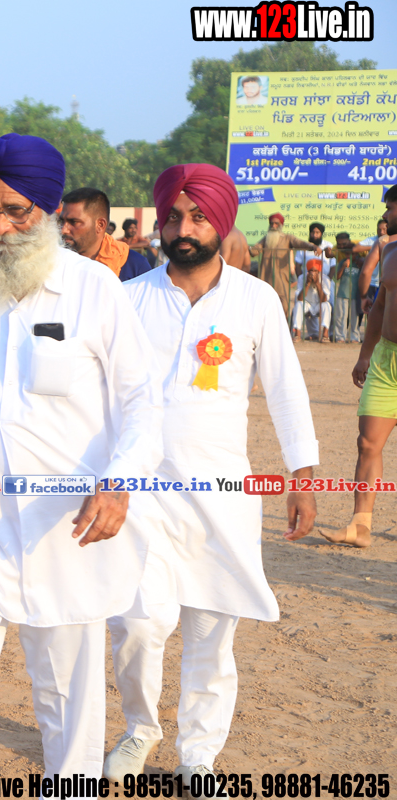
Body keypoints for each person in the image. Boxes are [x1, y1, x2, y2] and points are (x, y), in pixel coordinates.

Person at [0, 134, 161, 793]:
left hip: (66, 527)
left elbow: (141, 401)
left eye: (15, 211)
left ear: (45, 211)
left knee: (67, 697)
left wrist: (121, 483)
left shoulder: (95, 291)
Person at [110, 163, 318, 780]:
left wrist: (303, 476)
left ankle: (198, 758)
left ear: (221, 222)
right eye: (174, 217)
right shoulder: (128, 299)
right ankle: (139, 730)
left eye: (198, 217)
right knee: (140, 625)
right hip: (142, 497)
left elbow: (286, 391)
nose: (184, 229)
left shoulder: (256, 300)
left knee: (210, 635)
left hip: (222, 496)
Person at [331, 187, 397, 548]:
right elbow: (381, 306)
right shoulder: (389, 251)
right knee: (367, 442)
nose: (385, 216)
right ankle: (360, 527)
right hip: (386, 360)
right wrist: (365, 354)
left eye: (390, 208)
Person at [59, 187, 152, 281]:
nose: (63, 230)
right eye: (62, 221)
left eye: (74, 222)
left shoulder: (134, 265)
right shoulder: (54, 262)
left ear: (100, 225)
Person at [250, 213, 318, 323]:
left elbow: (299, 243)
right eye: (272, 223)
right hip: (266, 279)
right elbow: (254, 252)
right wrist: (246, 248)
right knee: (264, 308)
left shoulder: (287, 238)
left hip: (282, 280)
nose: (273, 226)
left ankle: (284, 330)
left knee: (284, 307)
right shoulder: (266, 239)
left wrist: (312, 246)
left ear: (281, 225)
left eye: (276, 223)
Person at [329, 231, 363, 343]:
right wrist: (343, 266)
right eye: (347, 254)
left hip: (355, 294)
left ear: (356, 254)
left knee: (354, 317)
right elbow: (337, 277)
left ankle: (354, 336)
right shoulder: (343, 261)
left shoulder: (359, 263)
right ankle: (340, 336)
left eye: (352, 254)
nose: (349, 256)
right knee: (341, 316)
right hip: (343, 293)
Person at [291, 256, 334, 342]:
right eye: (311, 271)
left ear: (319, 272)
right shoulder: (301, 278)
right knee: (299, 305)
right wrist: (307, 283)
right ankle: (297, 334)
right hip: (307, 304)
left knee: (327, 305)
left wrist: (317, 283)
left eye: (315, 271)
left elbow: (324, 299)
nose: (312, 273)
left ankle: (325, 334)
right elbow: (299, 298)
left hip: (319, 305)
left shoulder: (325, 279)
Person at [358, 218, 390, 312]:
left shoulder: (380, 243)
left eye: (384, 229)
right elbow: (356, 248)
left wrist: (363, 297)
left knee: (376, 313)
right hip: (382, 285)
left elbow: (365, 272)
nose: (381, 232)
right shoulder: (377, 241)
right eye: (379, 229)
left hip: (383, 285)